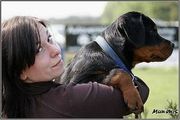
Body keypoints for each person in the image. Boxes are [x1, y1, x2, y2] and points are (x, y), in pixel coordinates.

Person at [1, 16, 149, 118]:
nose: (56, 50)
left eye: (49, 38)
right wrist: (123, 77)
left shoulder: (10, 106)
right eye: (39, 49)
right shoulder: (73, 100)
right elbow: (142, 91)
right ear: (20, 72)